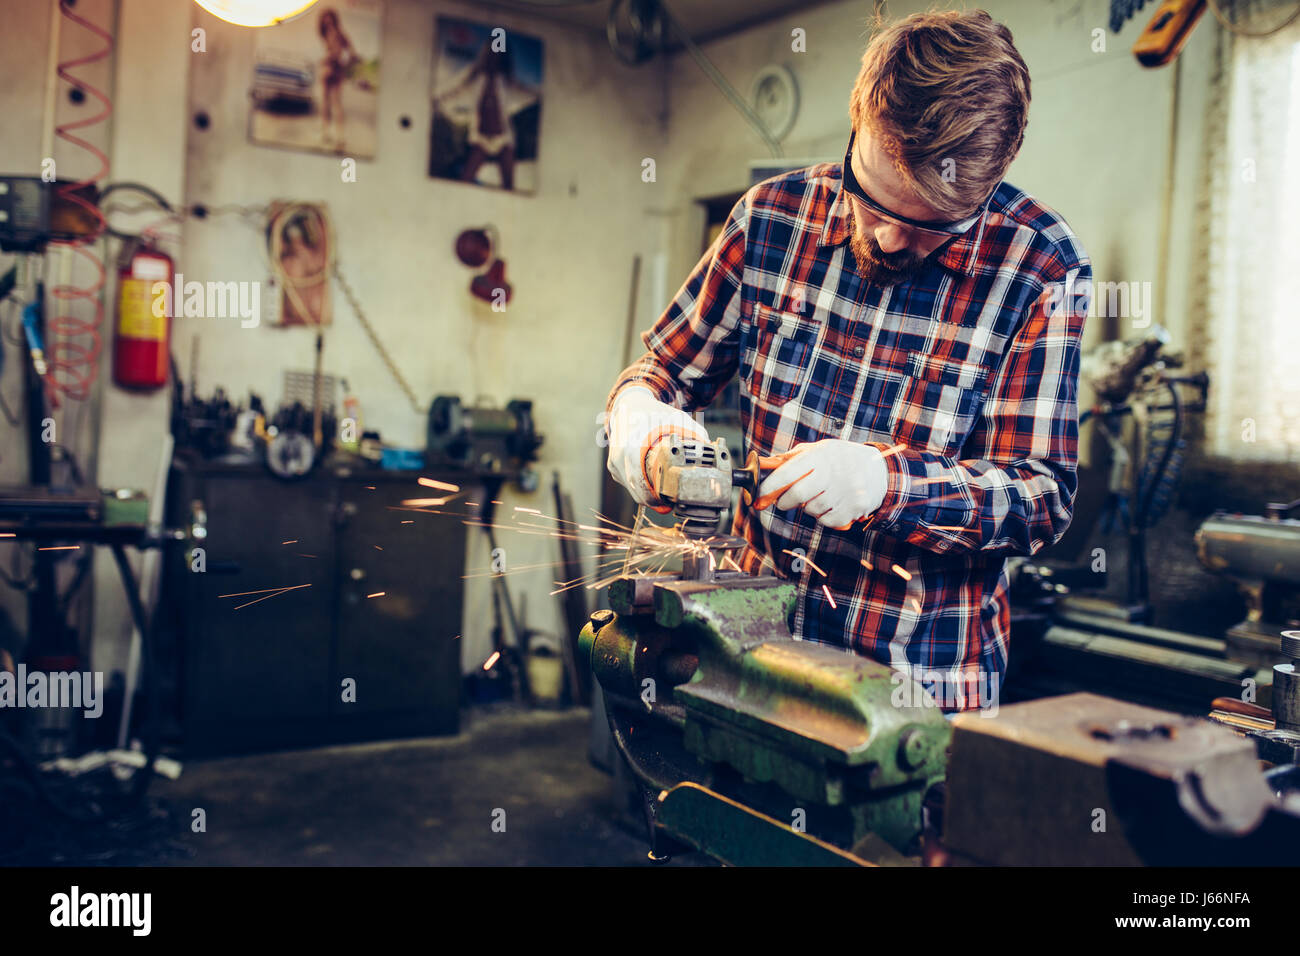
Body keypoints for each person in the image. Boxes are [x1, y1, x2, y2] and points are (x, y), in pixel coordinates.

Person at [603, 9, 1091, 713]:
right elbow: (662, 375)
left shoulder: (1039, 266)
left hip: (916, 696)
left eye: (928, 224)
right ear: (858, 118)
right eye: (871, 196)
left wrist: (886, 486)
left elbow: (1039, 497)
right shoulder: (769, 221)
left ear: (994, 175)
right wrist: (640, 416)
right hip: (748, 663)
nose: (888, 237)